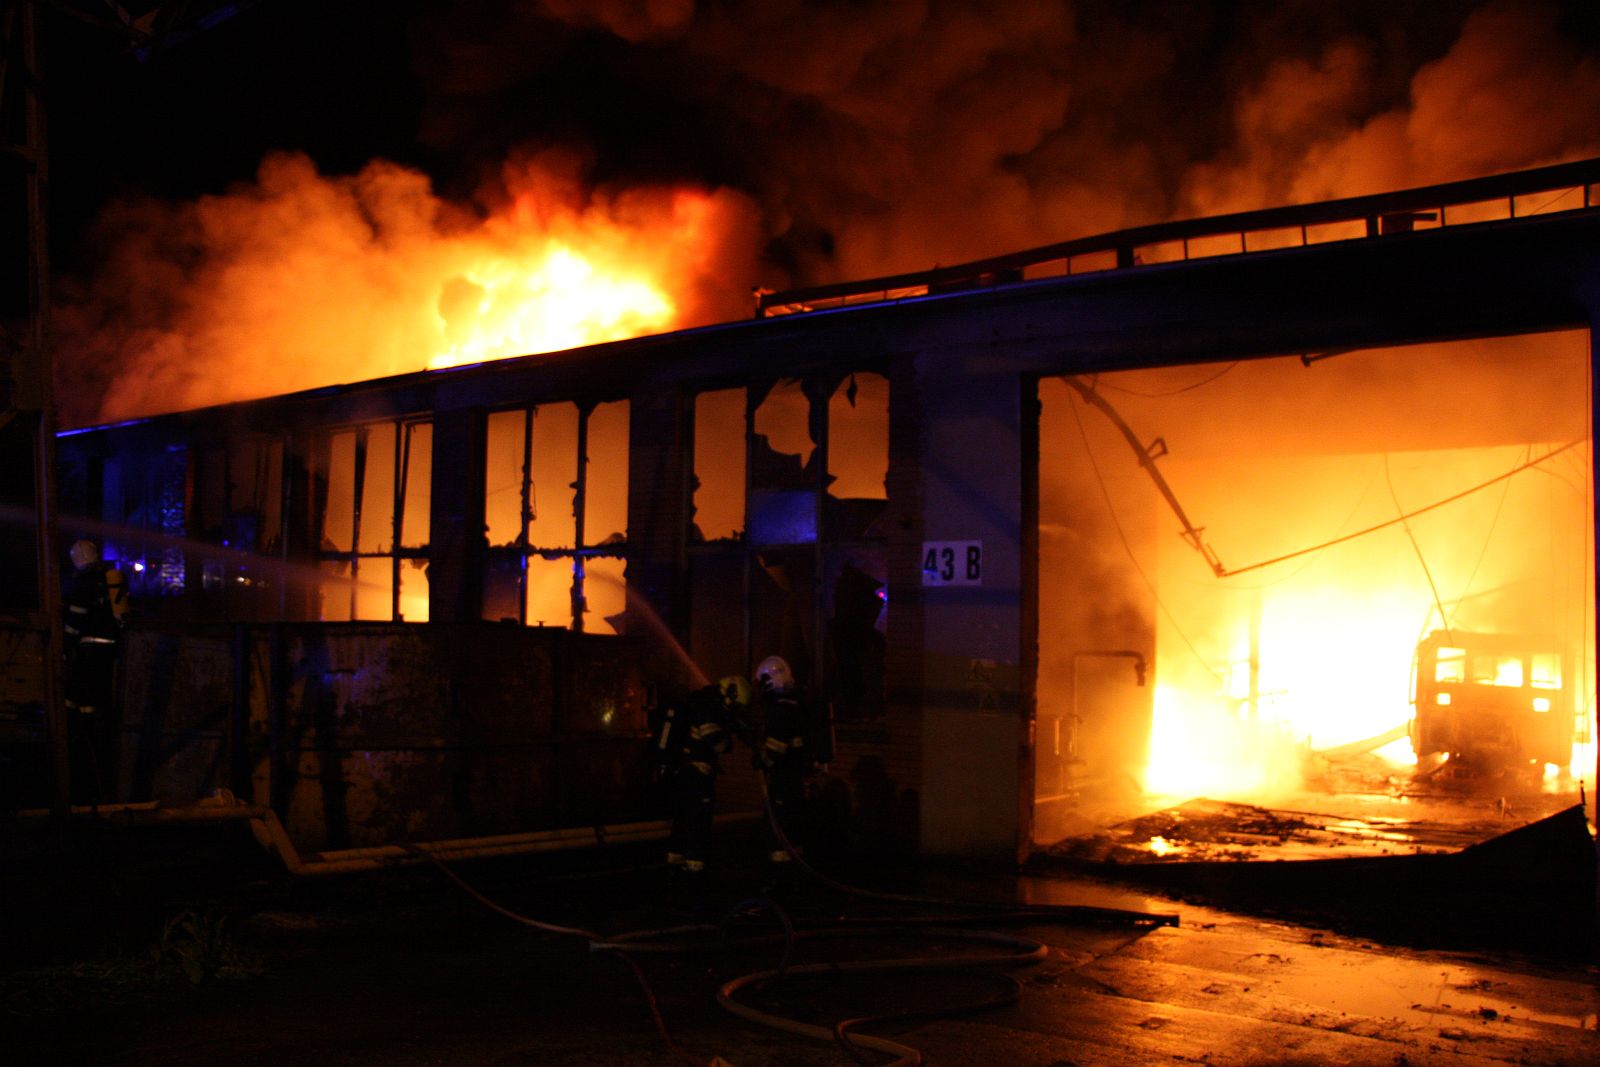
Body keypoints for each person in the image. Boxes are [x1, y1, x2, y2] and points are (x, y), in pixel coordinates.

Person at [653, 675, 751, 877]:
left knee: (681, 822)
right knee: (698, 823)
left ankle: (674, 868)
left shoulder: (700, 703)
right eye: (736, 705)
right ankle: (694, 871)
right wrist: (729, 739)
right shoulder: (708, 709)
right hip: (697, 776)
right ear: (729, 695)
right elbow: (719, 744)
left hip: (682, 773)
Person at [62, 539, 128, 805]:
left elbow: (74, 620)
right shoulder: (108, 578)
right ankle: (97, 728)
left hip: (88, 647)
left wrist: (65, 646)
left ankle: (80, 733)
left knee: (81, 693)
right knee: (99, 693)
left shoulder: (83, 582)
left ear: (77, 558)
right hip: (110, 646)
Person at [753, 654, 814, 867]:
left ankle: (780, 872)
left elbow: (775, 749)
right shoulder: (795, 704)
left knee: (779, 826)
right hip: (794, 778)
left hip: (784, 778)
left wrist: (762, 760)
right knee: (794, 826)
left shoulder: (781, 709)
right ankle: (795, 868)